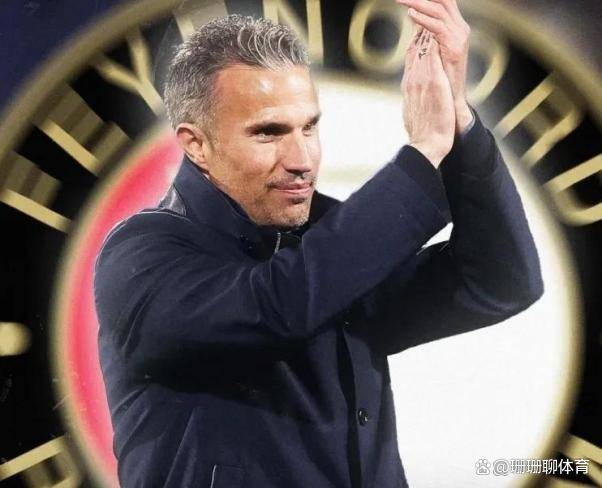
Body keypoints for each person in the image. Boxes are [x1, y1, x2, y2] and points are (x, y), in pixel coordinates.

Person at [94, 5, 543, 488]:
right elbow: (277, 306)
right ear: (196, 144)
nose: (302, 159)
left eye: (309, 127)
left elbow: (499, 282)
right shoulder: (141, 255)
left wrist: (459, 125)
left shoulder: (328, 237)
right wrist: (421, 155)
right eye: (269, 132)